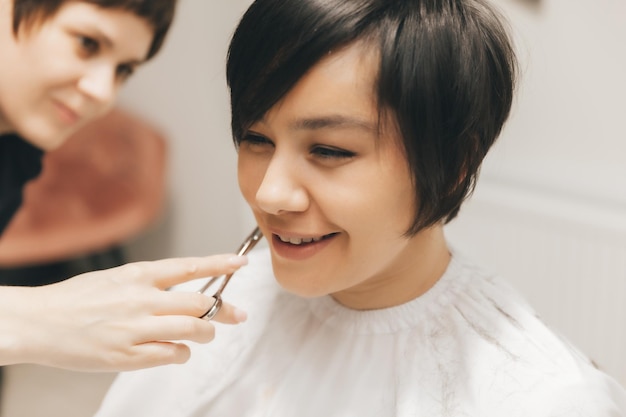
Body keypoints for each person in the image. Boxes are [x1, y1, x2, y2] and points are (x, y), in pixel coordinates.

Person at [95, 0, 626, 415]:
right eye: (256, 138)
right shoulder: (204, 314)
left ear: (452, 163)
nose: (269, 194)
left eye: (329, 150)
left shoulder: (538, 395)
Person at [0, 0, 249, 374]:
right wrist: (42, 318)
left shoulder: (19, 149)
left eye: (124, 70)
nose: (103, 91)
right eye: (87, 43)